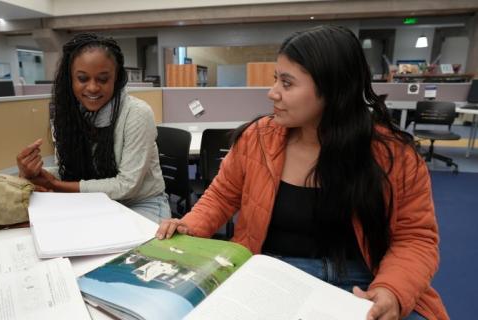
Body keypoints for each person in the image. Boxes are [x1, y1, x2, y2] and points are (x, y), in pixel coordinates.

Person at [156, 26, 448, 320]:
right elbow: (220, 196)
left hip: (367, 282)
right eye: (275, 80)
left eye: (287, 83)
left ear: (332, 89)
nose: (273, 93)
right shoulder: (257, 138)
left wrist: (392, 291)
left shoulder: (394, 154)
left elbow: (416, 238)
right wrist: (190, 225)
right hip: (274, 275)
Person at [17, 33, 170, 223]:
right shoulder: (70, 114)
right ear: (70, 79)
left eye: (103, 79)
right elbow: (71, 172)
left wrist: (55, 184)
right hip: (91, 201)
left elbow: (126, 185)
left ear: (117, 79)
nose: (92, 88)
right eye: (82, 78)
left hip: (139, 203)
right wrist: (34, 171)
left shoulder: (137, 113)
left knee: (128, 252)